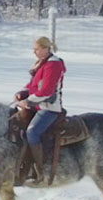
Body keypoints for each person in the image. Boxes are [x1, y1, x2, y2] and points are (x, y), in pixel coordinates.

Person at [14, 36, 66, 182]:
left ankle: (40, 171)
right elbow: (33, 85)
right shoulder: (41, 63)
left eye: (36, 49)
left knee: (32, 132)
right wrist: (22, 93)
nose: (34, 52)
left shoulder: (53, 65)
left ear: (45, 49)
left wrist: (28, 101)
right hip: (36, 105)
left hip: (49, 107)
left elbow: (47, 91)